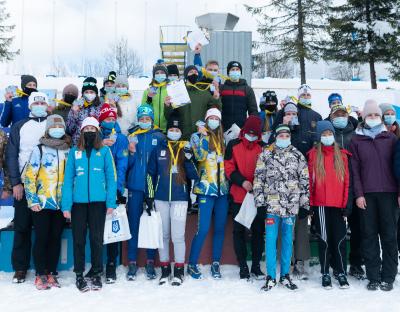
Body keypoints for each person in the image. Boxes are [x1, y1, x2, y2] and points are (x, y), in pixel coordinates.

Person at [271, 84, 322, 280]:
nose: (293, 115)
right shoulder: (284, 117)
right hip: (281, 180)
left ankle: (300, 259)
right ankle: (286, 260)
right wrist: (281, 118)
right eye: (303, 94)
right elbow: (272, 141)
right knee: (284, 222)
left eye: (309, 94)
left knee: (301, 220)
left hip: (302, 177)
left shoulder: (313, 117)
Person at [61, 117, 117, 292]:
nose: (90, 131)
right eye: (87, 128)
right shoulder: (74, 152)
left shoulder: (105, 151)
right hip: (78, 204)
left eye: (93, 128)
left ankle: (96, 272)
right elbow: (68, 180)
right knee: (79, 240)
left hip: (98, 203)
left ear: (98, 131)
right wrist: (66, 206)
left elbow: (111, 178)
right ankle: (79, 274)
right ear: (82, 132)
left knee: (96, 239)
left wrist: (111, 202)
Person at [253, 124, 309, 291]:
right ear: (276, 136)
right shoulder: (266, 154)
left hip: (290, 207)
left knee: (287, 241)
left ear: (290, 137)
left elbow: (304, 181)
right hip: (271, 206)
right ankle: (271, 276)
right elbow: (258, 180)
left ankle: (285, 274)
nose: (283, 138)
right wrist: (260, 203)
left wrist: (304, 204)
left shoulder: (297, 155)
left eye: (286, 135)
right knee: (270, 240)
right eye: (281, 135)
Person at [146, 110, 198, 286]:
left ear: (181, 132)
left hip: (180, 199)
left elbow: (193, 176)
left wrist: (190, 159)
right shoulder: (158, 149)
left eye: (177, 130)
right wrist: (150, 196)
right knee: (163, 235)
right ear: (167, 131)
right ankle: (165, 269)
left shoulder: (185, 149)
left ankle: (179, 271)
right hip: (160, 199)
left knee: (178, 236)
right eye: (171, 130)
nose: (174, 132)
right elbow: (150, 174)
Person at [351, 100, 398, 291]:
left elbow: (398, 166)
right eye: (369, 115)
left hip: (389, 194)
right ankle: (373, 276)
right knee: (369, 236)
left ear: (380, 117)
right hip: (367, 195)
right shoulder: (356, 140)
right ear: (364, 117)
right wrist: (359, 194)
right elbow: (355, 170)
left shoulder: (391, 139)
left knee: (389, 236)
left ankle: (388, 276)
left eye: (375, 115)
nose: (373, 118)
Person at [6, 91, 49, 283]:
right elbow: (11, 156)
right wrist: (15, 182)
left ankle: (45, 267)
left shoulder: (53, 124)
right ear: (30, 106)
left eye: (42, 102)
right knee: (22, 227)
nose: (39, 105)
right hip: (23, 185)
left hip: (46, 187)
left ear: (47, 105)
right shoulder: (19, 126)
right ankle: (20, 268)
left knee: (43, 229)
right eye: (36, 102)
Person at [24, 114, 71, 290]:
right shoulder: (40, 149)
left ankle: (51, 273)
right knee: (42, 237)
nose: (57, 130)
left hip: (61, 204)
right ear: (48, 129)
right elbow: (30, 176)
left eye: (60, 127)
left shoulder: (68, 149)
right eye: (54, 127)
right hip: (42, 203)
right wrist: (32, 200)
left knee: (55, 238)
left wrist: (69, 202)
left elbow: (72, 178)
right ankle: (39, 274)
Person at [308, 121, 351, 289]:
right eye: (324, 134)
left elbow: (347, 181)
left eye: (329, 134)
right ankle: (325, 272)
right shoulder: (313, 155)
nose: (327, 137)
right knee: (324, 240)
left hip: (338, 204)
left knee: (339, 239)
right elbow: (310, 182)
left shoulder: (342, 154)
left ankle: (340, 271)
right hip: (321, 205)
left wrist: (346, 203)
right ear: (319, 137)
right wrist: (311, 204)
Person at [187, 108, 229, 280]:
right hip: (205, 189)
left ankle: (216, 262)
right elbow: (199, 155)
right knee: (203, 228)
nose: (213, 121)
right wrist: (203, 137)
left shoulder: (223, 138)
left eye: (215, 118)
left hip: (222, 190)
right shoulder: (196, 137)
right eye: (210, 118)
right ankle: (192, 263)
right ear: (205, 120)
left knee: (220, 229)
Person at [126, 104, 165, 281]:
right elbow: (125, 164)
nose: (144, 121)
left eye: (147, 119)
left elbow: (163, 163)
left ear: (152, 120)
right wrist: (132, 154)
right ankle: (132, 262)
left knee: (151, 224)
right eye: (141, 119)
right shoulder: (132, 137)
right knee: (133, 224)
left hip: (153, 187)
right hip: (135, 186)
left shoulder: (159, 136)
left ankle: (150, 262)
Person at [224, 115, 265, 280]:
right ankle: (242, 266)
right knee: (238, 232)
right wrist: (242, 182)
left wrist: (257, 184)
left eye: (255, 134)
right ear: (244, 131)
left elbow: (268, 169)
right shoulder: (233, 145)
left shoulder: (263, 147)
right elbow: (228, 167)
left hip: (257, 197)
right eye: (249, 133)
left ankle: (255, 266)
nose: (252, 136)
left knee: (257, 232)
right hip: (238, 196)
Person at [329, 104, 364, 279]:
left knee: (357, 229)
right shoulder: (328, 135)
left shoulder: (356, 134)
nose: (340, 117)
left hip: (355, 185)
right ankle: (336, 263)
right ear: (331, 117)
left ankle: (356, 263)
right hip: (336, 188)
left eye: (343, 114)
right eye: (336, 115)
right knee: (337, 229)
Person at [97, 103, 129, 283]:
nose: (110, 121)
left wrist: (118, 188)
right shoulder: (95, 135)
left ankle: (111, 264)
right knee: (96, 227)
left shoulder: (121, 138)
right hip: (95, 189)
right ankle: (96, 264)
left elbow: (122, 164)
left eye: (113, 118)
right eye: (107, 118)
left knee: (112, 227)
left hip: (113, 190)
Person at [165, 65, 221, 140]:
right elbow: (169, 116)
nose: (194, 74)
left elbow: (216, 111)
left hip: (200, 135)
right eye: (191, 72)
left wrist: (216, 99)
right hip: (183, 136)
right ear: (186, 75)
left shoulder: (204, 92)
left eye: (196, 72)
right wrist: (167, 106)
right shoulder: (178, 92)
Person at [219, 61, 258, 130]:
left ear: (240, 72)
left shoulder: (247, 89)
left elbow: (253, 110)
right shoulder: (221, 88)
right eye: (232, 69)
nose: (235, 71)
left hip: (241, 128)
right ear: (228, 72)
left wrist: (251, 125)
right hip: (223, 128)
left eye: (237, 69)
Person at [67, 77, 102, 145]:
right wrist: (74, 113)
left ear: (96, 93)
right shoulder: (76, 105)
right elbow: (70, 130)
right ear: (83, 93)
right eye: (86, 92)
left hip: (96, 143)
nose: (89, 94)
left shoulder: (101, 107)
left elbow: (104, 126)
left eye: (91, 92)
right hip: (78, 143)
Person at [142, 65, 169, 131]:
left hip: (168, 128)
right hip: (152, 128)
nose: (160, 75)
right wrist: (149, 98)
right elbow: (143, 110)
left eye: (162, 72)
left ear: (166, 74)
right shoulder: (148, 91)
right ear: (154, 76)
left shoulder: (171, 89)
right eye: (157, 73)